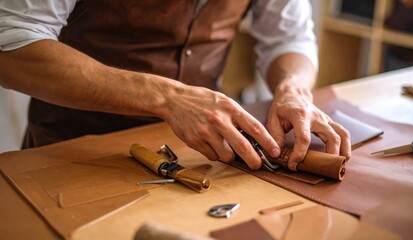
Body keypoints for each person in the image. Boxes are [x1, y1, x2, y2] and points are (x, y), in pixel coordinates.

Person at [0, 0, 350, 171]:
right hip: (73, 151)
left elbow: (289, 38)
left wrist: (293, 89)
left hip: (202, 159)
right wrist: (168, 97)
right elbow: (11, 46)